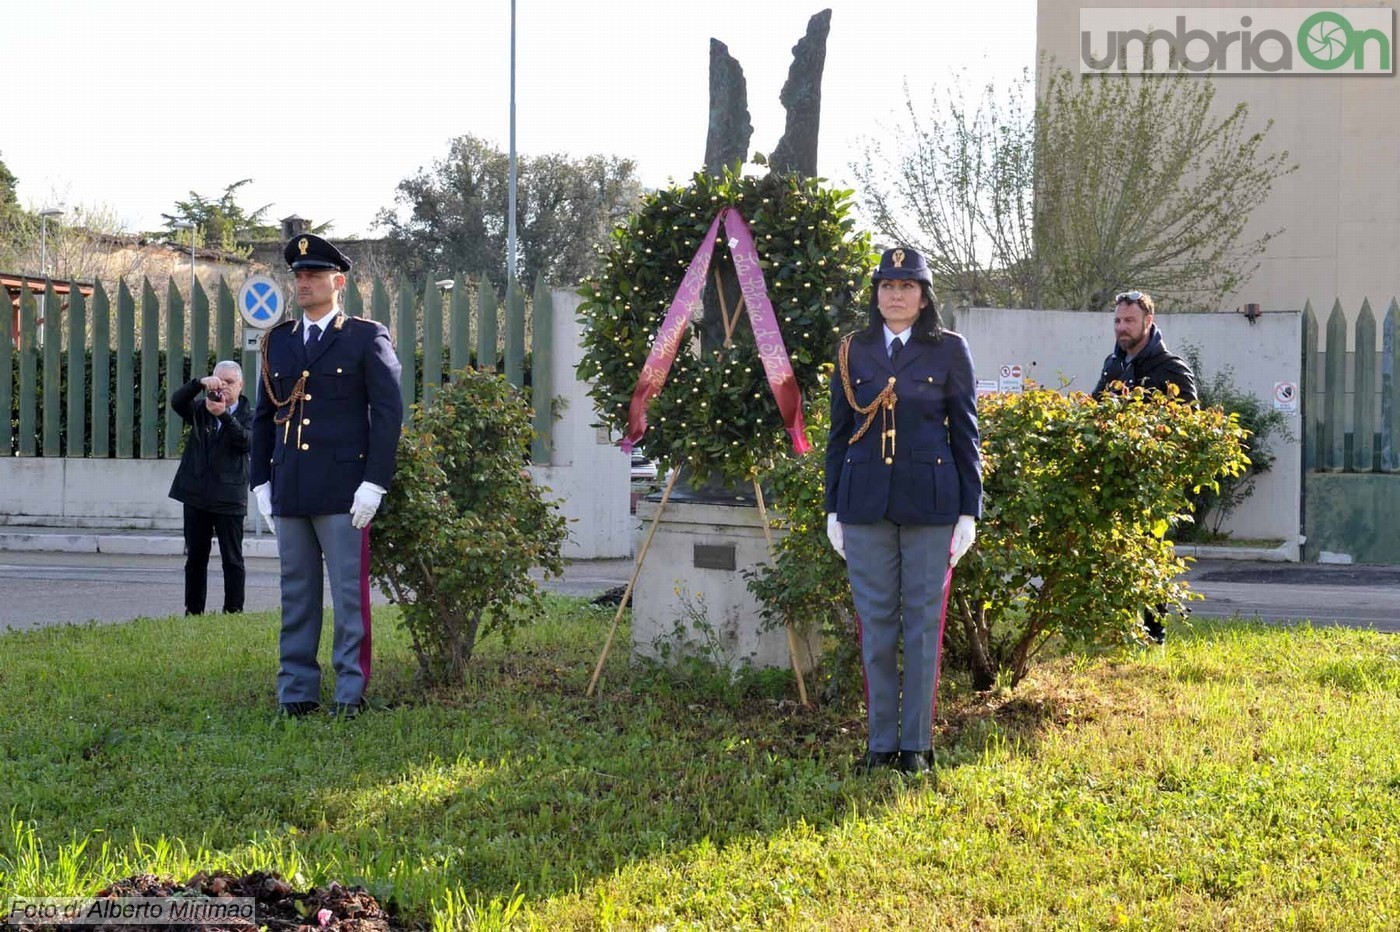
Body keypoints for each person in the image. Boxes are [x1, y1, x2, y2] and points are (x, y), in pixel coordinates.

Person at [824, 247, 982, 775]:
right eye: (887, 286)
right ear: (876, 295)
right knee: (876, 626)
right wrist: (833, 507)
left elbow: (966, 433)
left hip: (931, 505)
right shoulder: (853, 351)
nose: (896, 295)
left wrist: (968, 510)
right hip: (864, 503)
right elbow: (839, 436)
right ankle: (878, 743)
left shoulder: (949, 351)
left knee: (921, 626)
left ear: (924, 296)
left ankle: (915, 745)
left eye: (907, 286)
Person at [250, 234, 403, 719]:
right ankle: (296, 690)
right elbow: (261, 416)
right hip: (291, 485)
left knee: (348, 596)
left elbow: (388, 413)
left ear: (338, 282)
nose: (304, 283)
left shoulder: (364, 336)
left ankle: (349, 692)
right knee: (296, 592)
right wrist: (260, 483)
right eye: (298, 275)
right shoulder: (279, 341)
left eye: (314, 275)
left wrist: (374, 482)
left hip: (344, 491)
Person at [1092, 289, 1198, 644]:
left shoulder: (1171, 369)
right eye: (1118, 321)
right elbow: (1094, 413)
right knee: (1113, 558)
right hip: (1114, 482)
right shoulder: (1113, 365)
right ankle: (1118, 632)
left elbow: (1191, 429)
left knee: (1149, 559)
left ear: (1148, 321)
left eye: (1129, 321)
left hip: (1153, 487)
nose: (1122, 328)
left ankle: (1155, 637)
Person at [168, 361, 252, 616]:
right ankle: (193, 612)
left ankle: (233, 611)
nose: (224, 387)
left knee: (232, 559)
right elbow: (176, 402)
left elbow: (245, 442)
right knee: (195, 558)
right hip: (196, 495)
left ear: (240, 385)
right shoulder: (199, 409)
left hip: (229, 497)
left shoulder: (251, 414)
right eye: (219, 381)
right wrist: (199, 384)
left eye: (230, 382)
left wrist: (223, 415)